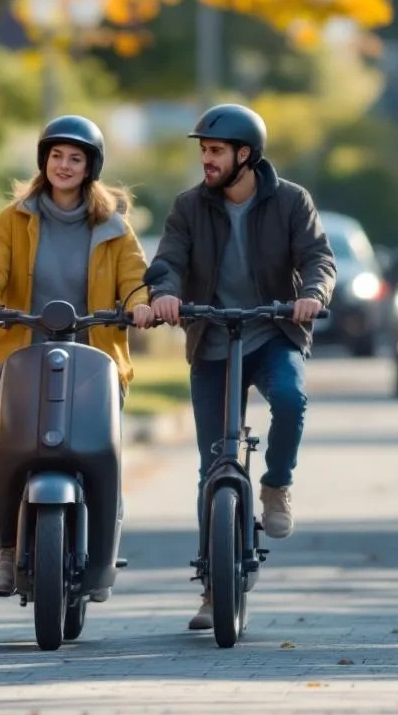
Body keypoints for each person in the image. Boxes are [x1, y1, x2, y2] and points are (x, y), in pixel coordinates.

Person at [148, 103, 336, 631]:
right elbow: (169, 260)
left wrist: (314, 294)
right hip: (212, 337)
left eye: (215, 151)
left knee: (291, 400)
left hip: (271, 330)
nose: (206, 160)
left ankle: (276, 484)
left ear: (245, 155)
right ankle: (213, 590)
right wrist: (164, 295)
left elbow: (318, 258)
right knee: (213, 467)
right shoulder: (189, 207)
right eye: (203, 151)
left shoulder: (292, 201)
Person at [0, 115, 155, 597]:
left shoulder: (113, 226)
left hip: (94, 354)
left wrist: (140, 306)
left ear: (91, 167)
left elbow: (134, 278)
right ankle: (7, 548)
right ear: (43, 161)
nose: (64, 166)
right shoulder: (15, 218)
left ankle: (102, 552)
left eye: (75, 158)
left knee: (101, 452)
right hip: (23, 351)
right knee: (7, 448)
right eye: (56, 156)